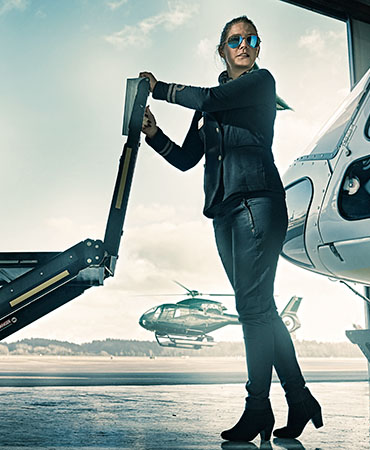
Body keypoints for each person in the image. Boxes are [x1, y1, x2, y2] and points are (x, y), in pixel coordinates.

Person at [139, 16, 322, 443]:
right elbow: (186, 159)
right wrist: (153, 134)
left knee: (252, 310)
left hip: (257, 201)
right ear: (222, 50)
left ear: (257, 49)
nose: (244, 45)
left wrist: (158, 88)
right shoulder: (212, 108)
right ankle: (299, 399)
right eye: (235, 40)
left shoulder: (259, 83)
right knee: (258, 309)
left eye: (251, 39)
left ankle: (257, 407)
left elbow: (207, 97)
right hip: (223, 211)